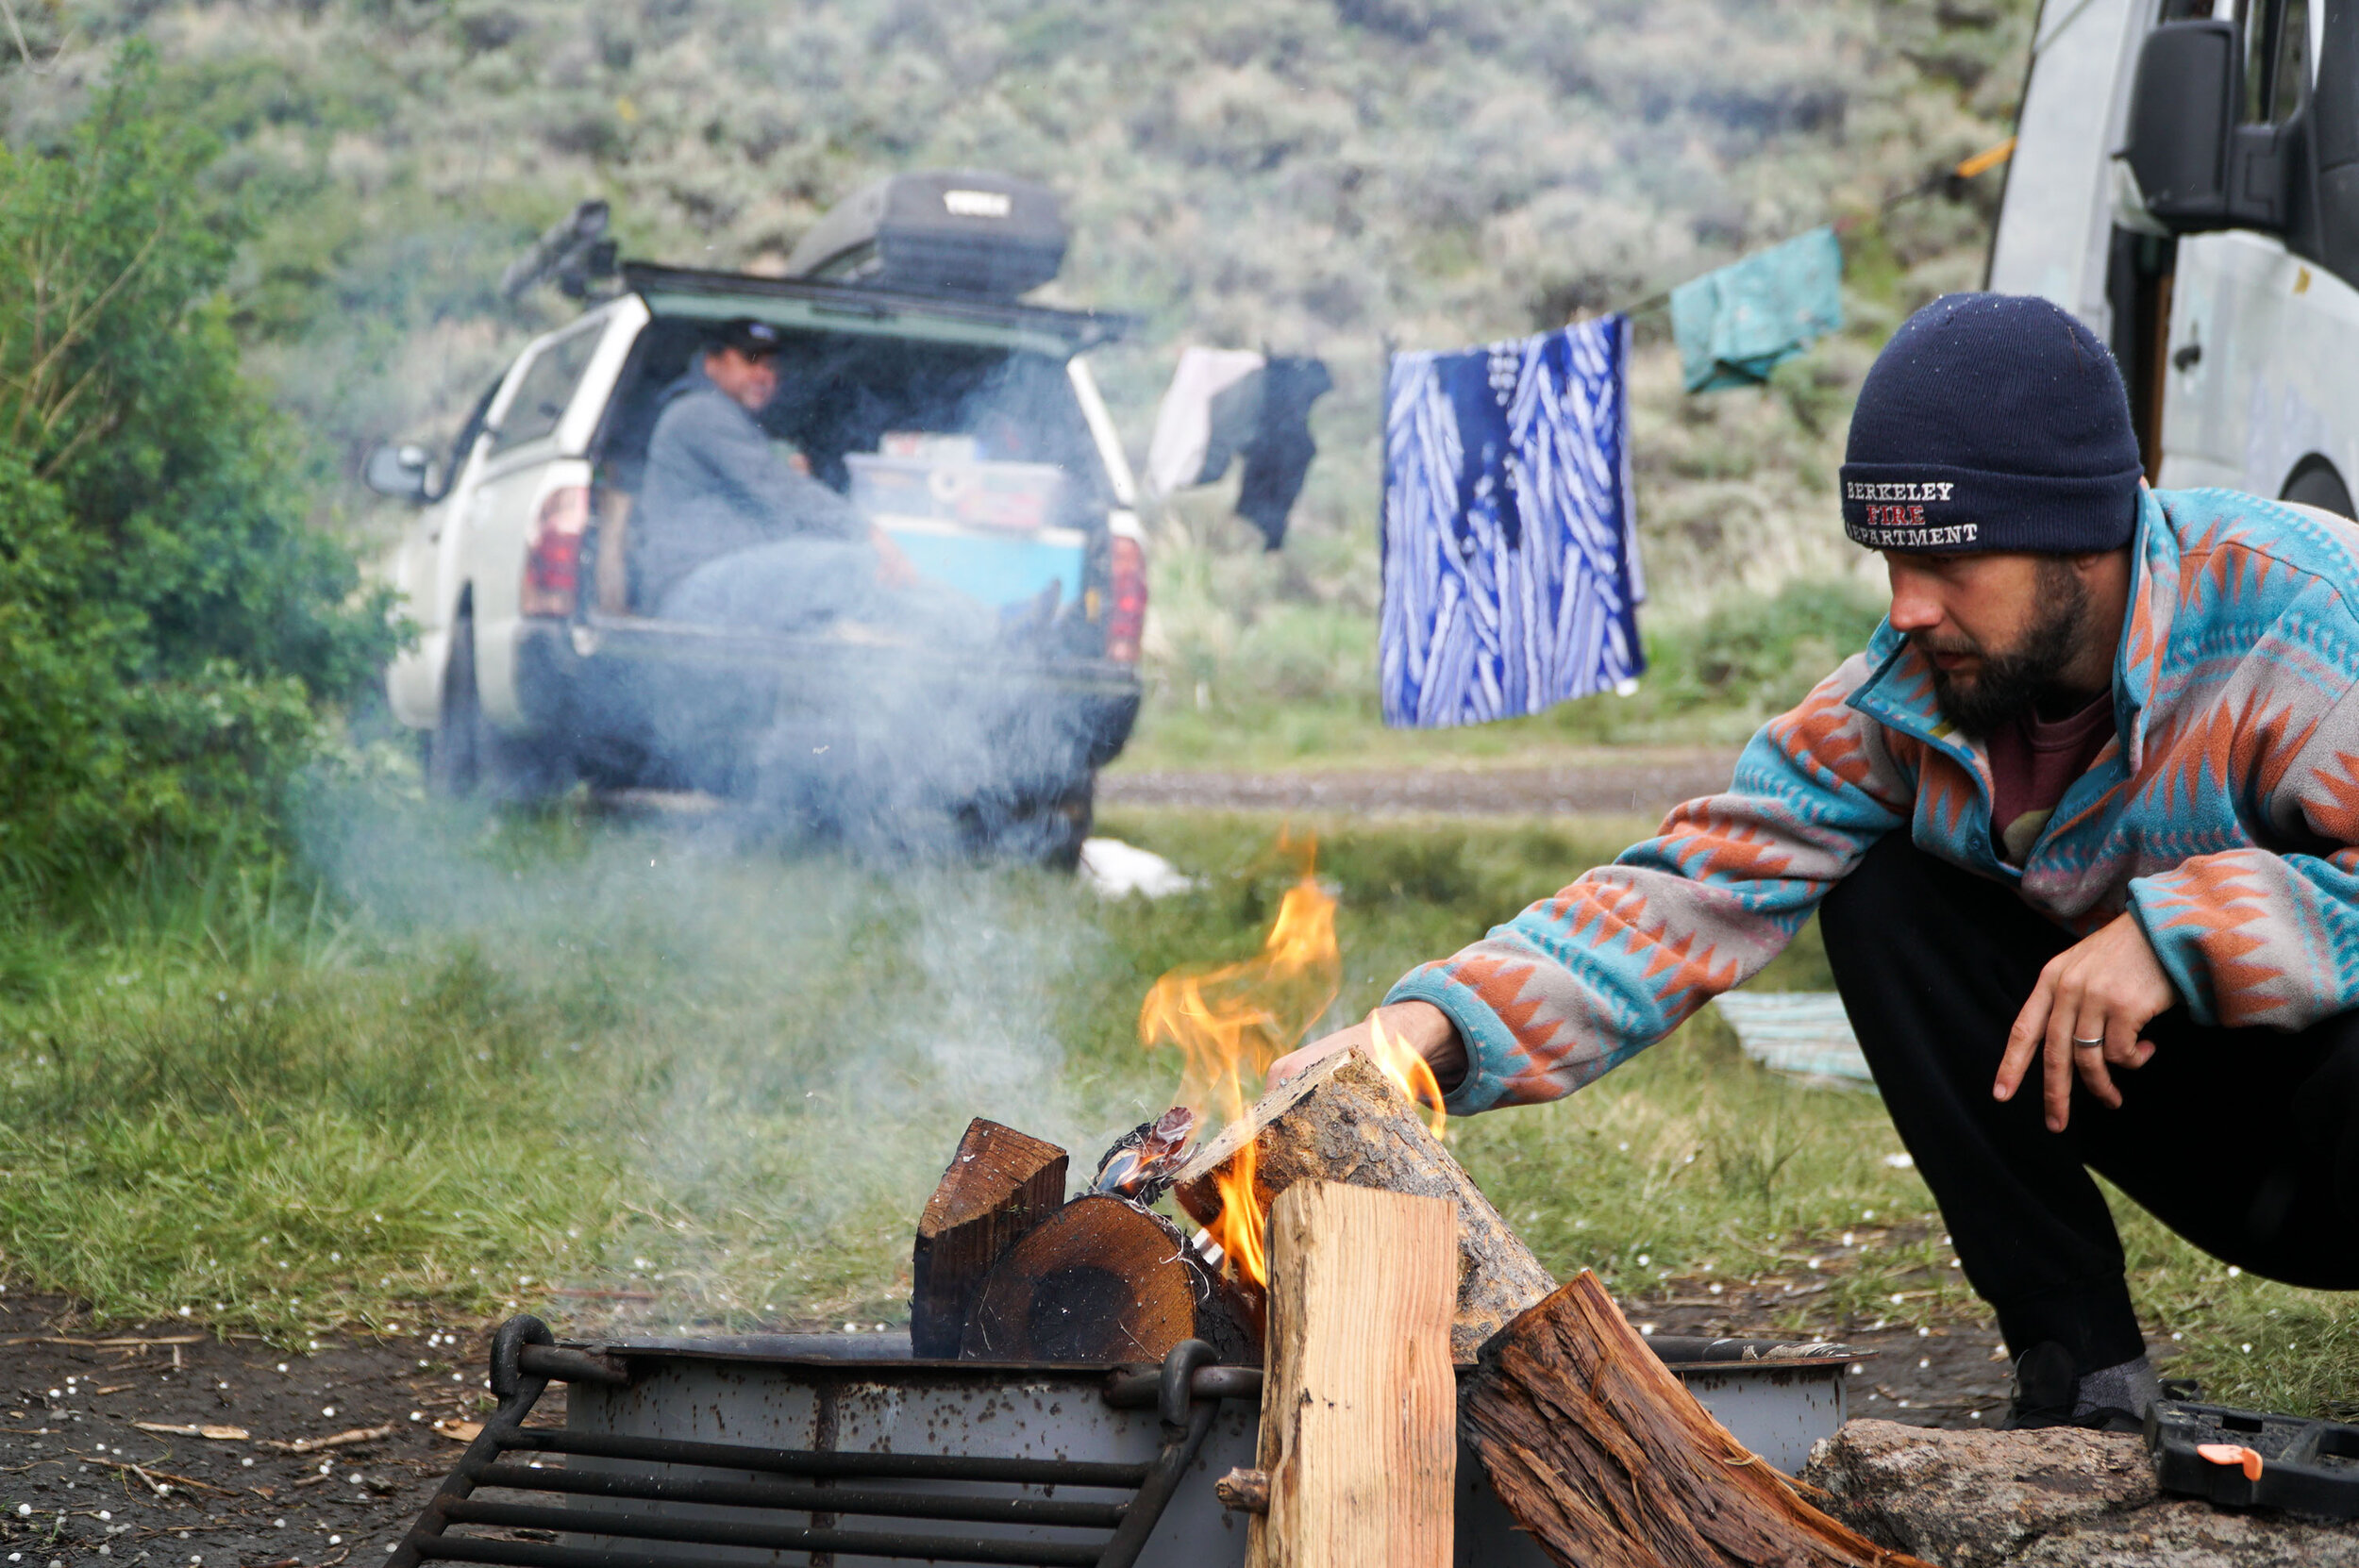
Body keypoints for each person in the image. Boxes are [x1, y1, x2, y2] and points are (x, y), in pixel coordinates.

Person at [1272, 292, 2359, 1432]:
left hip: (2334, 1126)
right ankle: (2080, 1371)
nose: (1906, 605)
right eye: (1889, 558)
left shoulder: (2303, 619)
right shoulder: (1908, 697)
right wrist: (1425, 1036)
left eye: (1947, 561)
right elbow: (1686, 890)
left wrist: (2172, 937)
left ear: (2080, 533)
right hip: (2227, 1154)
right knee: (1885, 899)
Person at [634, 318, 933, 629]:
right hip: (693, 587)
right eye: (750, 361)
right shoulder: (699, 411)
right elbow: (779, 489)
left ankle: (967, 630)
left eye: (771, 366)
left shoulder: (736, 424)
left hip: (723, 585)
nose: (763, 375)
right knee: (850, 565)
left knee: (843, 588)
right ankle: (969, 637)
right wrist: (868, 533)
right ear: (712, 364)